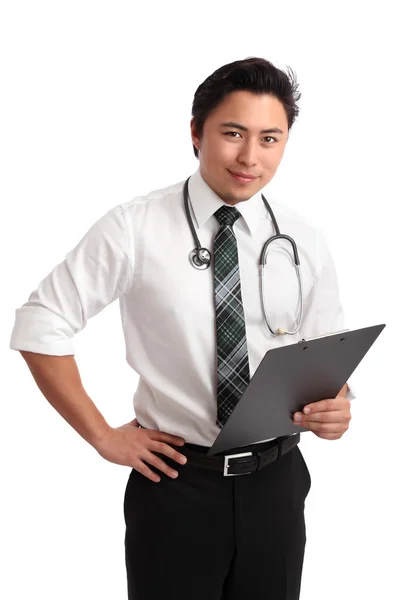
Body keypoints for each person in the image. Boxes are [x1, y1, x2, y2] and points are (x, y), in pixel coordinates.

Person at [10, 57, 354, 600]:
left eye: (270, 138)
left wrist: (335, 407)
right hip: (176, 484)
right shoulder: (135, 227)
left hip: (278, 485)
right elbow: (40, 322)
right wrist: (102, 436)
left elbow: (323, 360)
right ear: (196, 133)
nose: (249, 157)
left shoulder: (304, 239)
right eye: (233, 134)